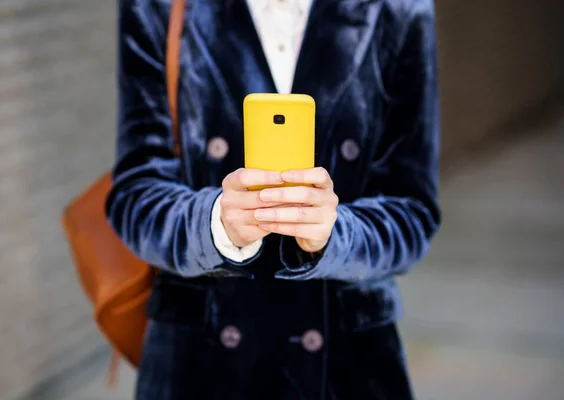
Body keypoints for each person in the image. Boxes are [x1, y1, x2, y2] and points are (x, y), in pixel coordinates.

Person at [106, 0, 440, 398]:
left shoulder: (398, 9)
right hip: (201, 361)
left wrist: (335, 234)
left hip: (347, 364)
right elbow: (135, 195)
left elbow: (413, 210)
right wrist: (215, 223)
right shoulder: (159, 6)